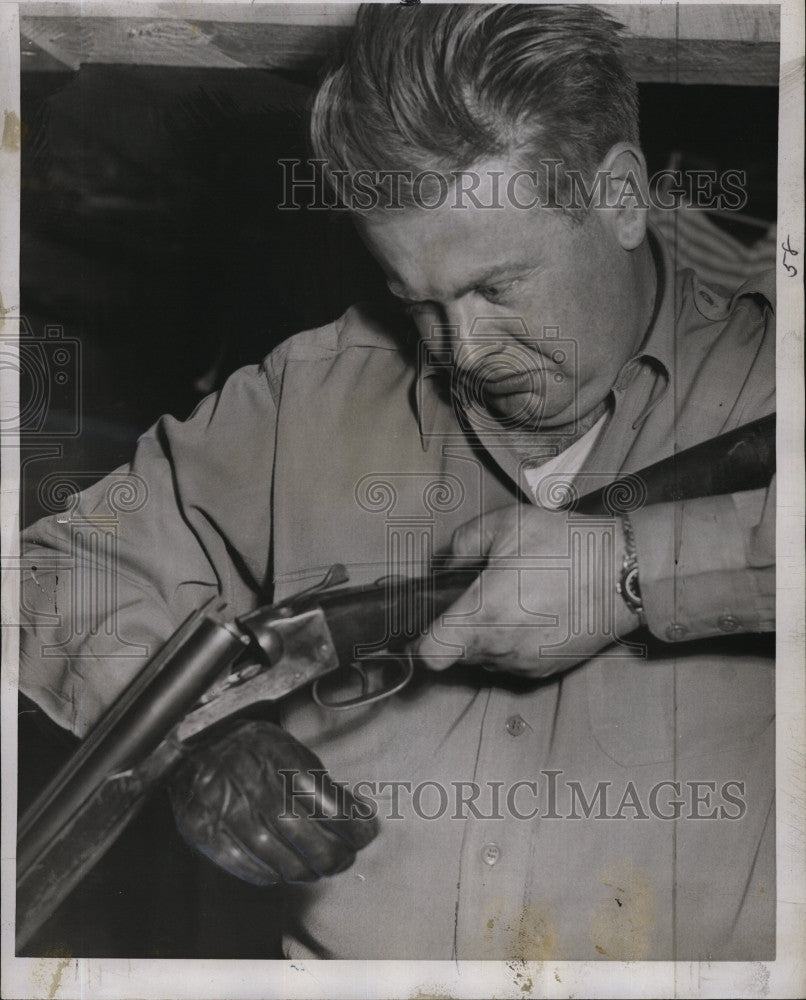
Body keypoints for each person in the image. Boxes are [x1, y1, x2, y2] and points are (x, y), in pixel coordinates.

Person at [19, 4, 775, 961]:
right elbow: (52, 572)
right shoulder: (305, 394)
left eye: (498, 288)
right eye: (418, 301)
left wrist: (633, 572)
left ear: (620, 196)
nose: (460, 350)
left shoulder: (772, 377)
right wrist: (179, 739)